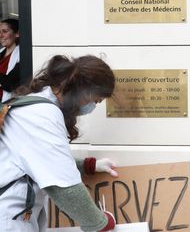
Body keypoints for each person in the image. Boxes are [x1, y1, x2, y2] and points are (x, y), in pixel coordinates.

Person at [0, 55, 118, 231]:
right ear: (83, 91)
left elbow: (36, 160)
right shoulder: (44, 114)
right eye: (96, 100)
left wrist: (87, 166)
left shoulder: (34, 105)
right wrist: (100, 223)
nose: (92, 107)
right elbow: (64, 188)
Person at [0, 18, 21, 102]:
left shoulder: (21, 55)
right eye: (0, 32)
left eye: (5, 31)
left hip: (6, 104)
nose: (1, 35)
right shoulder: (1, 52)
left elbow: (9, 84)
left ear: (17, 34)